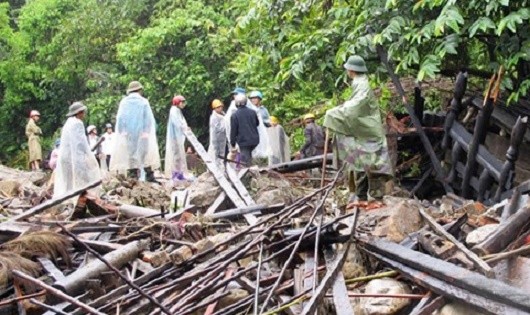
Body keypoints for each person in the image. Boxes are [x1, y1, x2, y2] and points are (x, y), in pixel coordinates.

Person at [323, 55, 393, 201]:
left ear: (351, 70)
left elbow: (355, 106)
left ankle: (373, 198)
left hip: (368, 131)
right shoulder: (359, 83)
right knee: (361, 164)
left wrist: (334, 113)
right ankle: (362, 197)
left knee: (371, 165)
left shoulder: (362, 84)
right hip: (364, 131)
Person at [110, 81, 160, 182]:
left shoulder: (124, 102)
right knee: (145, 154)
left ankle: (133, 174)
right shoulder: (143, 102)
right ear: (139, 90)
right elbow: (148, 119)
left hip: (129, 135)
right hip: (143, 134)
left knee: (131, 154)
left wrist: (122, 131)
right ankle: (149, 174)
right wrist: (147, 131)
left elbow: (120, 118)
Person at [54, 102, 101, 197]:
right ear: (79, 112)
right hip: (73, 157)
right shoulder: (77, 123)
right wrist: (88, 154)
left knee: (68, 181)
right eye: (83, 112)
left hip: (65, 157)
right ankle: (82, 197)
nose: (84, 115)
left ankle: (67, 199)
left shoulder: (68, 123)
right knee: (81, 178)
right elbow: (81, 143)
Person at [230, 94, 260, 167]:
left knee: (245, 161)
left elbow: (233, 131)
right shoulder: (252, 112)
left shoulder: (235, 115)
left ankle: (247, 174)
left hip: (244, 142)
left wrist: (232, 143)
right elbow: (257, 123)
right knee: (248, 155)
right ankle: (250, 169)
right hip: (255, 140)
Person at [165, 95, 189, 181]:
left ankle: (180, 173)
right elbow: (178, 123)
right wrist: (184, 127)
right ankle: (175, 174)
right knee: (176, 155)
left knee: (179, 155)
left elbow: (181, 122)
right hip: (174, 137)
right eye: (182, 102)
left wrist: (185, 127)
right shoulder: (174, 110)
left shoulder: (177, 110)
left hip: (177, 137)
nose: (183, 104)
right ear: (177, 102)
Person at [208, 99, 227, 167]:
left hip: (222, 138)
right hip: (216, 139)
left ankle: (221, 168)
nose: (220, 108)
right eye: (218, 107)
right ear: (214, 108)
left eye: (220, 106)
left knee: (222, 154)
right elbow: (218, 129)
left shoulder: (223, 115)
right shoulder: (214, 117)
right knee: (215, 154)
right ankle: (216, 168)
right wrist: (226, 127)